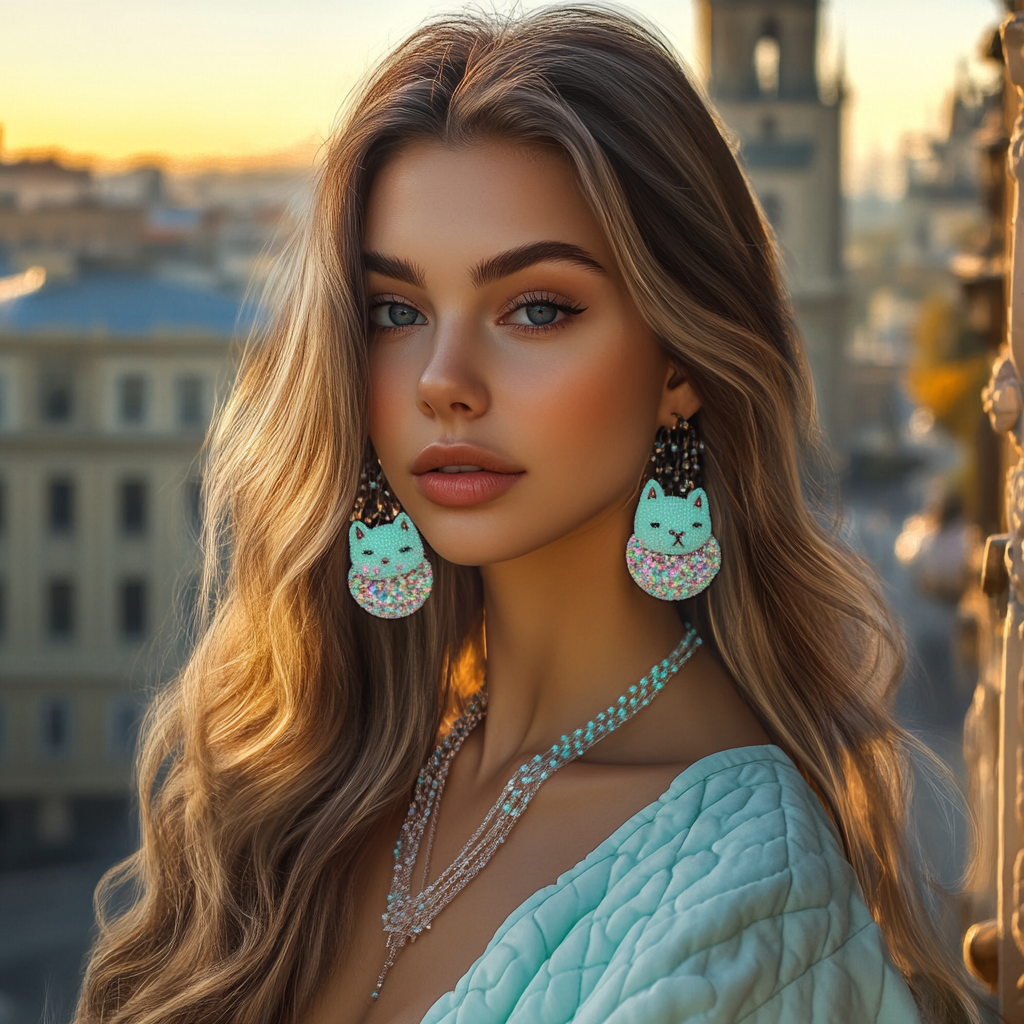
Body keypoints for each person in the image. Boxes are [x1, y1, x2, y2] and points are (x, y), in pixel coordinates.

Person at [74, 7, 980, 1023]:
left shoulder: (748, 908)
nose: (443, 382)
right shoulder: (330, 774)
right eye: (395, 312)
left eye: (536, 307)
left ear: (679, 363)